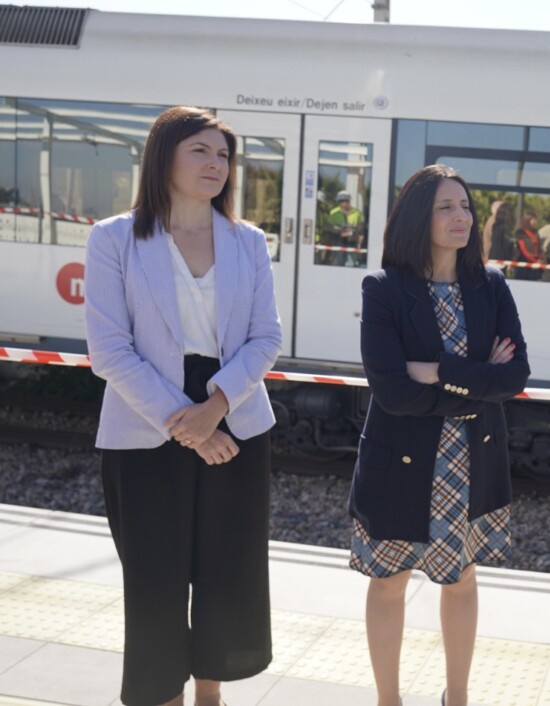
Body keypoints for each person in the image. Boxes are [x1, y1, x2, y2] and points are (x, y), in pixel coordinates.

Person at [84, 106, 282, 706]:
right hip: (145, 426)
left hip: (237, 413)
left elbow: (265, 338)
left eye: (223, 155)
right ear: (162, 155)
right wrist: (191, 425)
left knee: (227, 573)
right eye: (201, 150)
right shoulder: (114, 238)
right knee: (154, 582)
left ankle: (210, 698)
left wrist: (216, 405)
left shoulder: (248, 242)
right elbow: (109, 350)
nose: (216, 164)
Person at [349, 164, 530, 706]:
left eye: (466, 206)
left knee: (462, 579)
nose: (461, 217)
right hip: (401, 458)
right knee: (388, 582)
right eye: (445, 207)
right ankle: (389, 700)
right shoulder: (383, 289)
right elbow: (390, 390)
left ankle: (457, 697)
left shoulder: (490, 285)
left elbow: (515, 377)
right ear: (416, 217)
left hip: (470, 459)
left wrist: (437, 368)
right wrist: (477, 381)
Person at [326, 190, 365, 266]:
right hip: (338, 241)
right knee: (338, 263)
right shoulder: (333, 213)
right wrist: (338, 229)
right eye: (342, 201)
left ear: (349, 201)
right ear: (339, 202)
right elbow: (328, 227)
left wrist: (357, 233)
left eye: (346, 201)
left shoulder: (357, 212)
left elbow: (361, 227)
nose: (344, 203)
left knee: (351, 264)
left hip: (352, 242)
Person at [514, 210, 544, 282]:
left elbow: (539, 247)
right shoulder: (521, 233)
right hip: (524, 262)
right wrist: (534, 261)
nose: (535, 222)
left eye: (536, 220)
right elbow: (524, 250)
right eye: (533, 220)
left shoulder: (535, 232)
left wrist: (540, 259)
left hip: (536, 262)